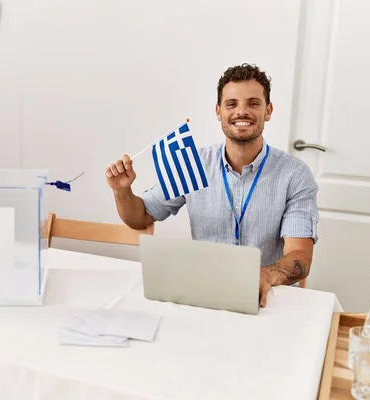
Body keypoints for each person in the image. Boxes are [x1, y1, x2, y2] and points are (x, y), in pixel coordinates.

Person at [105, 63, 319, 307]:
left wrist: (264, 275)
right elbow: (140, 217)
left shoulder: (295, 175)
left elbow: (300, 257)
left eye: (253, 103)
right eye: (231, 104)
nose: (242, 112)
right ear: (218, 111)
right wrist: (122, 191)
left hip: (265, 297)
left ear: (268, 111)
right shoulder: (193, 163)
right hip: (203, 295)